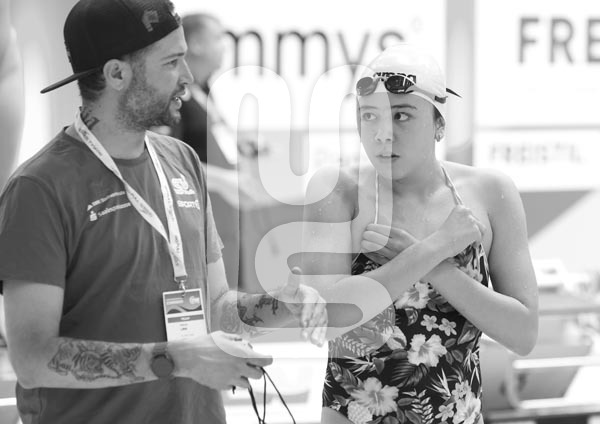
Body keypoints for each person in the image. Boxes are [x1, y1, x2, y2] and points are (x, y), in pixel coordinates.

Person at [0, 1, 327, 423]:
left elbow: (218, 308)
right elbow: (32, 359)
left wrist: (280, 304)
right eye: (172, 62)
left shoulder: (182, 161)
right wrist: (177, 359)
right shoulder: (39, 189)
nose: (187, 77)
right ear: (117, 74)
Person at [297, 44, 538, 424]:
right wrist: (434, 249)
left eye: (402, 115)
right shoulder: (338, 190)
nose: (383, 134)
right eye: (369, 116)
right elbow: (324, 320)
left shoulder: (490, 193)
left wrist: (438, 270)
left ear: (439, 124)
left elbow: (523, 334)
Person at [171, 13, 262, 289]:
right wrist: (223, 180)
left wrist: (240, 145)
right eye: (219, 38)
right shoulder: (175, 97)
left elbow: (211, 137)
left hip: (227, 217)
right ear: (196, 44)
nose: (225, 46)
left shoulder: (205, 88)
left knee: (233, 291)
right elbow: (169, 161)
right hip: (199, 218)